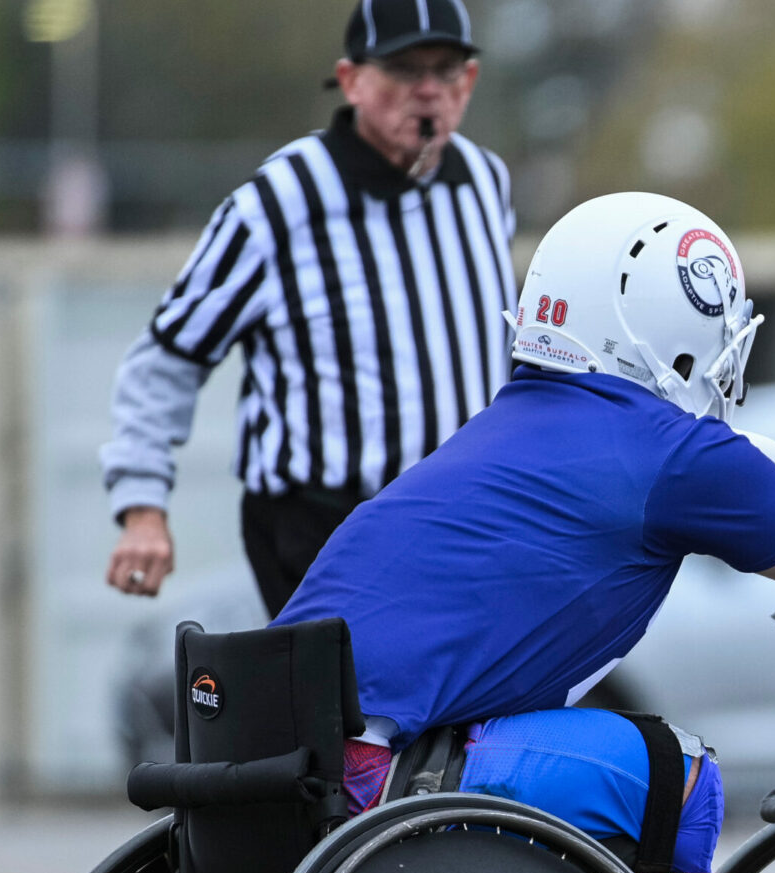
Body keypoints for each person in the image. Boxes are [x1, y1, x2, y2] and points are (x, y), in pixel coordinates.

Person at [275, 191, 775, 873]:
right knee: (678, 772)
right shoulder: (669, 455)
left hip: (278, 746)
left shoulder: (523, 419)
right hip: (379, 775)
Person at [101, 0, 513, 615]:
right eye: (404, 69)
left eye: (446, 69)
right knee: (354, 711)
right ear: (351, 80)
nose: (427, 91)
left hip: (465, 527)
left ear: (470, 80)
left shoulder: (485, 182)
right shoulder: (279, 203)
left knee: (481, 707)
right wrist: (143, 510)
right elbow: (167, 359)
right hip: (328, 531)